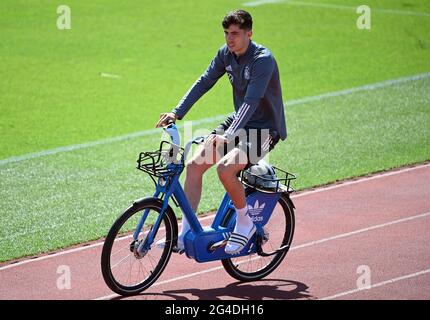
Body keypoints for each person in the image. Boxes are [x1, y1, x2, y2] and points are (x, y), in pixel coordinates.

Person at [155, 9, 287, 254]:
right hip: (239, 123)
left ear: (249, 33)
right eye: (226, 33)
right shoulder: (225, 55)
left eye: (235, 33)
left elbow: (252, 100)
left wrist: (228, 134)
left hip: (265, 129)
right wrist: (177, 111)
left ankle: (245, 224)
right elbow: (205, 81)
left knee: (225, 169)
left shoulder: (263, 60)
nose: (230, 39)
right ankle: (184, 236)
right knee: (194, 166)